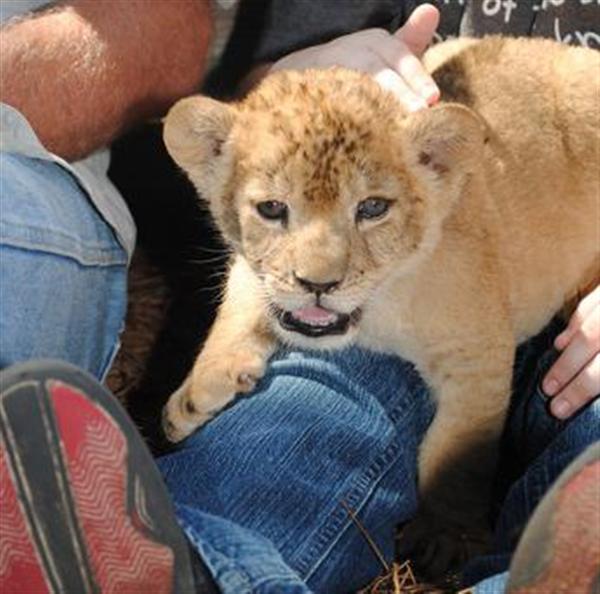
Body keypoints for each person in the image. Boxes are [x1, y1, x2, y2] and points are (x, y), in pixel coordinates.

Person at [1, 1, 598, 593]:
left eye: (370, 209)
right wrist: (289, 73)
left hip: (564, 269)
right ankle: (199, 568)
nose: (320, 269)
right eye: (271, 209)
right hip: (395, 291)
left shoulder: (553, 96)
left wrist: (455, 514)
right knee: (302, 412)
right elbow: (255, 136)